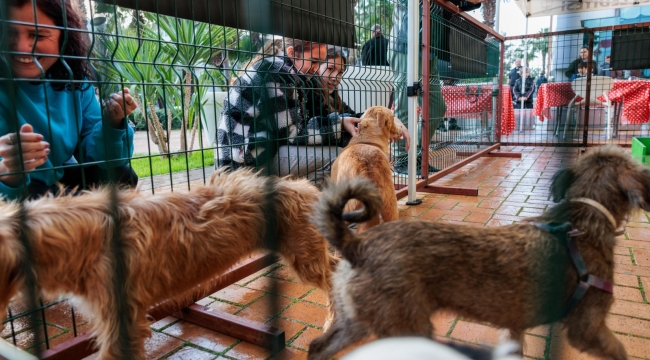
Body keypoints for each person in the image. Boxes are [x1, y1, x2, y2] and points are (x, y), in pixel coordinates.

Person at [0, 0, 137, 201]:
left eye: (37, 34)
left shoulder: (75, 82)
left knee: (123, 175)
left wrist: (112, 123)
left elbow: (97, 157)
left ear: (64, 36)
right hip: (14, 191)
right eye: (9, 33)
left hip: (56, 181)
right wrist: (9, 170)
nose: (21, 47)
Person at [216, 39, 361, 184]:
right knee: (335, 156)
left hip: (253, 151)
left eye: (320, 62)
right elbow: (294, 133)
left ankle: (296, 199)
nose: (317, 68)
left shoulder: (286, 71)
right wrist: (339, 123)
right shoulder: (278, 73)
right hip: (240, 163)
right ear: (291, 53)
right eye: (314, 61)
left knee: (325, 163)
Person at [389, 0, 483, 174]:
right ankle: (401, 160)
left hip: (428, 49)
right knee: (404, 105)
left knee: (437, 106)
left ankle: (416, 157)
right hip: (405, 43)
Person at [305, 46, 410, 149]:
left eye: (340, 72)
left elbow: (356, 118)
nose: (335, 77)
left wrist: (391, 119)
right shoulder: (310, 94)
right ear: (317, 68)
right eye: (330, 68)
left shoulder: (333, 97)